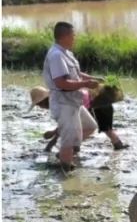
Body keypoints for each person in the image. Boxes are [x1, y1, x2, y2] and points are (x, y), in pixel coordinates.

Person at [42, 21, 102, 168]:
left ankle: (64, 152)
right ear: (65, 36)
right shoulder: (56, 55)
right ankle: (65, 172)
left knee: (90, 126)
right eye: (73, 35)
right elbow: (61, 83)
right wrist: (85, 84)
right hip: (63, 103)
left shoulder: (66, 53)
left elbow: (75, 73)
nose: (75, 38)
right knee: (68, 140)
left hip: (73, 101)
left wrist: (89, 78)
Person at [29, 86, 127, 151]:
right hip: (98, 102)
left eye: (39, 104)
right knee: (106, 129)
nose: (40, 107)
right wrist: (54, 134)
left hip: (96, 104)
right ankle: (118, 146)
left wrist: (52, 140)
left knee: (91, 128)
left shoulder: (59, 103)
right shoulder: (59, 98)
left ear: (44, 101)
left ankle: (72, 150)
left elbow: (65, 124)